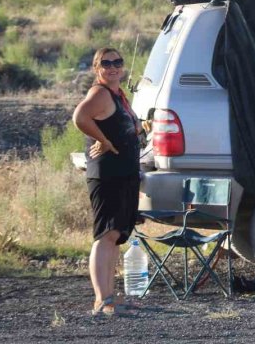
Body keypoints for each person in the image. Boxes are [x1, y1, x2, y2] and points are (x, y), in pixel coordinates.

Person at [72, 47, 143, 316]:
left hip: (123, 173)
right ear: (96, 68)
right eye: (106, 63)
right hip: (108, 174)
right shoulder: (99, 93)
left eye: (117, 62)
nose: (112, 67)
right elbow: (80, 117)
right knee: (106, 235)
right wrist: (103, 140)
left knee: (115, 237)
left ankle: (110, 297)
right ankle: (102, 299)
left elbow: (130, 127)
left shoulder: (117, 94)